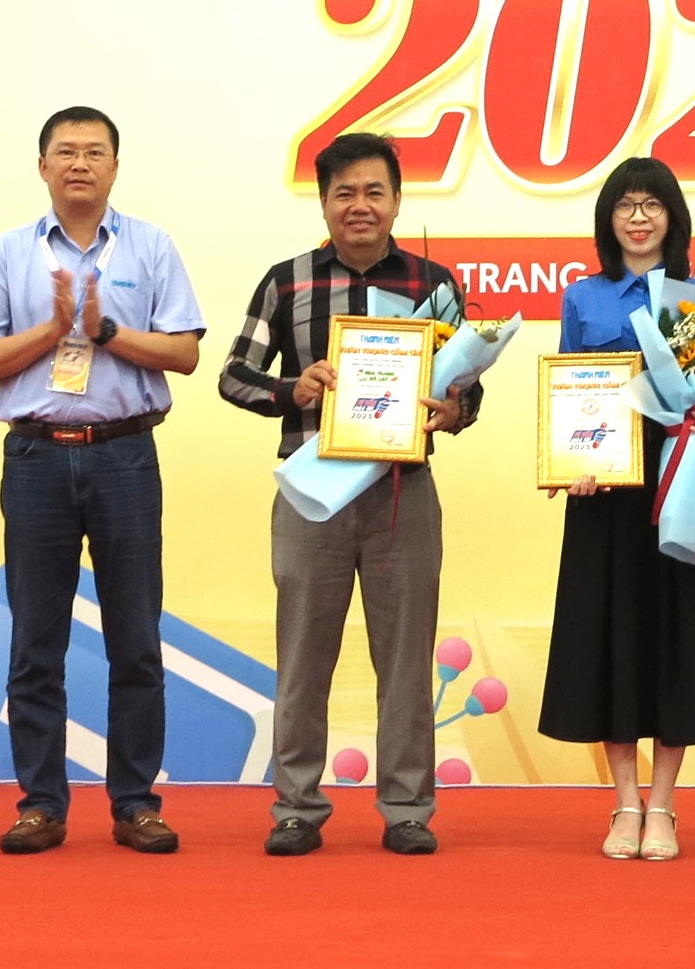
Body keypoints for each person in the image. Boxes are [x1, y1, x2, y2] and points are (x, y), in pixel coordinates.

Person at [218, 132, 478, 858]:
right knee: (304, 657)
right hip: (312, 493)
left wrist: (454, 410)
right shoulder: (286, 281)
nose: (359, 205)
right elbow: (233, 375)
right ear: (324, 201)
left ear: (396, 199)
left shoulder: (434, 284)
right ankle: (296, 806)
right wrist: (292, 388)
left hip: (403, 493)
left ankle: (407, 808)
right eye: (344, 193)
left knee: (406, 659)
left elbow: (466, 387)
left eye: (373, 192)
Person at [0, 106, 205, 856]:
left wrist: (105, 333)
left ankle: (135, 803)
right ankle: (41, 804)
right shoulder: (9, 252)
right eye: (65, 151)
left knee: (136, 639)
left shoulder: (152, 246)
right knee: (36, 640)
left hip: (124, 456)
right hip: (36, 458)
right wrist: (52, 329)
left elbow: (186, 354)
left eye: (95, 152)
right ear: (42, 166)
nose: (80, 164)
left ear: (115, 167)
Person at [537, 157, 695, 862]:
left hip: (684, 482)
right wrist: (567, 463)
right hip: (605, 492)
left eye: (652, 204)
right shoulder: (582, 297)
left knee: (678, 640)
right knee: (612, 641)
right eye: (625, 204)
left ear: (673, 216)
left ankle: (663, 804)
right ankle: (625, 801)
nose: (638, 217)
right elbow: (572, 391)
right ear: (608, 218)